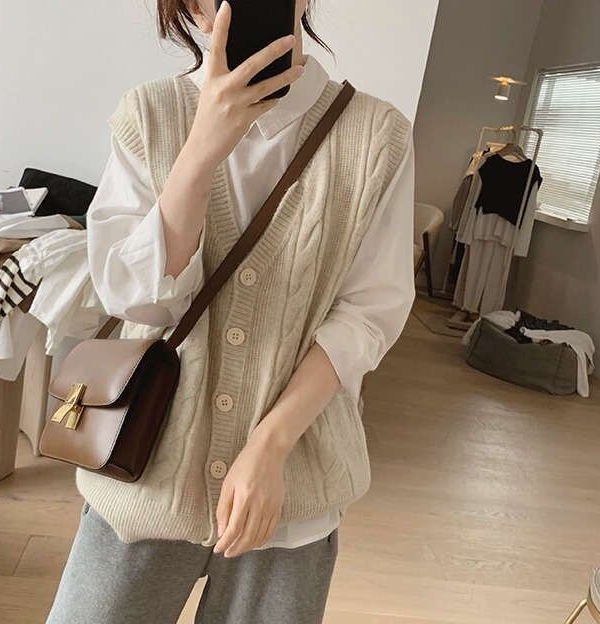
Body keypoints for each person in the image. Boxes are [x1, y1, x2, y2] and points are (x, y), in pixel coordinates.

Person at [47, 1, 415, 622]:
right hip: (145, 476)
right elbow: (134, 298)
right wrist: (199, 150)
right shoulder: (150, 114)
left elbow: (369, 314)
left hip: (290, 493)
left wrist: (269, 446)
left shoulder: (377, 134)